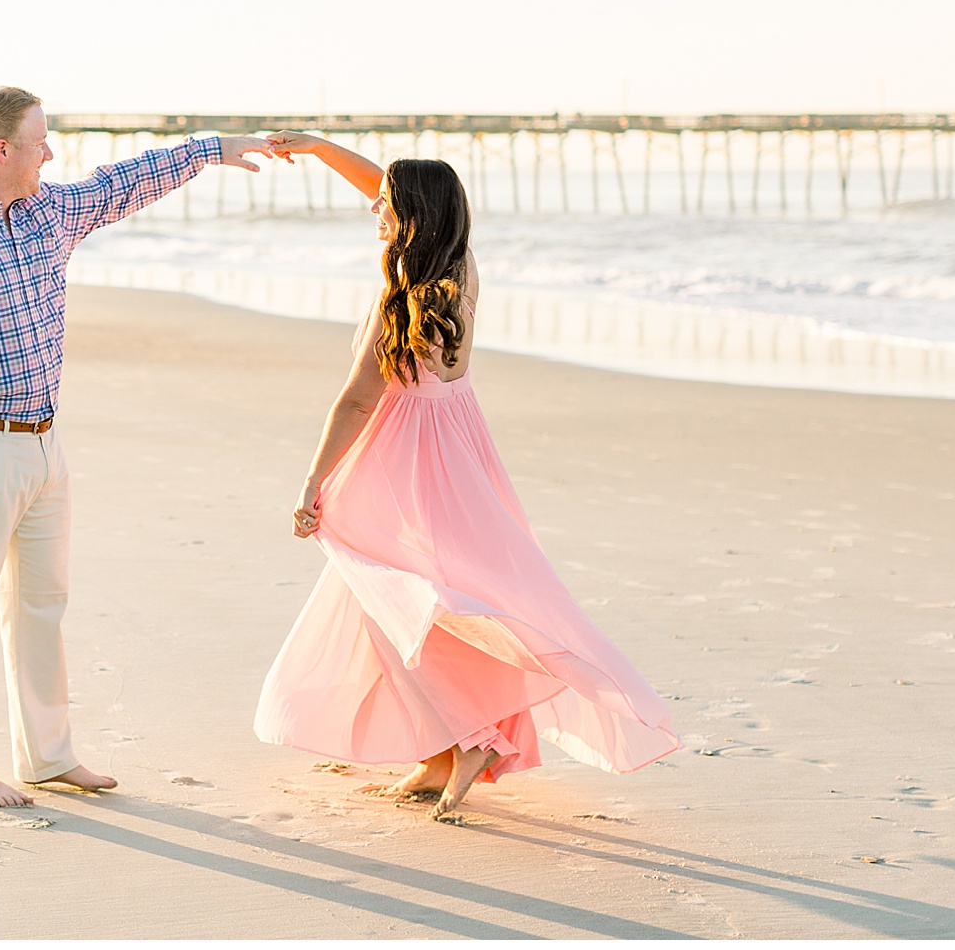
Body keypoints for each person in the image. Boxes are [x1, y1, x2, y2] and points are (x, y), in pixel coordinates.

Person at [253, 130, 681, 819]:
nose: (374, 210)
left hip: (403, 461)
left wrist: (310, 484)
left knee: (404, 603)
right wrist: (321, 148)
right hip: (459, 449)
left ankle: (470, 736)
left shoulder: (398, 297)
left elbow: (359, 399)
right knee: (437, 601)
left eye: (385, 204)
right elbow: (384, 185)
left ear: (410, 216)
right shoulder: (460, 268)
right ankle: (441, 751)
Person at [0, 86, 271, 808]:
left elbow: (121, 184)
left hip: (44, 444)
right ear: (2, 150)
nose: (51, 154)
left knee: (41, 605)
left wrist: (214, 149)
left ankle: (48, 755)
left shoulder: (47, 211)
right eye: (40, 142)